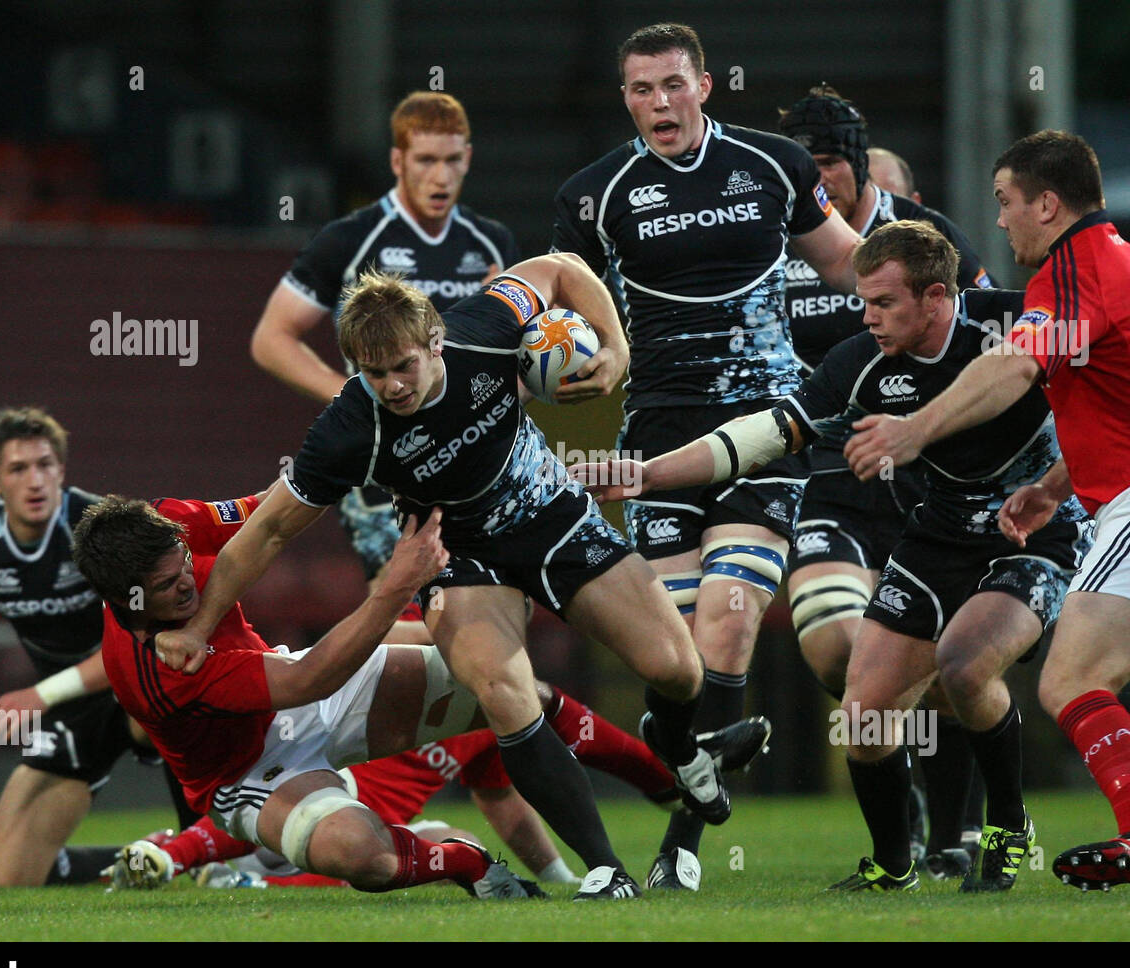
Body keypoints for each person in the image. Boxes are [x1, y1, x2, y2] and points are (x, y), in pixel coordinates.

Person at [152, 252, 731, 900]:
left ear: (435, 342)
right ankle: (606, 869)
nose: (393, 385)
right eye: (376, 374)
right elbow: (270, 530)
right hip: (457, 553)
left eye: (404, 366)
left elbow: (561, 268)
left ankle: (672, 742)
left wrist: (617, 348)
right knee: (505, 690)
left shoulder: (483, 326)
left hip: (552, 514)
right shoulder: (350, 427)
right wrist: (200, 625)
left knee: (680, 670)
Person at [575, 220, 1092, 892]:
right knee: (865, 710)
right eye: (863, 301)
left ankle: (1008, 823)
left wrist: (1055, 486)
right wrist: (647, 474)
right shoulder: (858, 363)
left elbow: (1113, 396)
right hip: (937, 534)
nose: (867, 317)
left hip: (1038, 531)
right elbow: (760, 435)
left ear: (937, 296)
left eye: (884, 303)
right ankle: (893, 862)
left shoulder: (1018, 322)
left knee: (963, 666)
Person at [843, 130, 1130, 894]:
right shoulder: (1114, 259)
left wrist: (913, 427)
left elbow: (1016, 362)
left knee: (1071, 681)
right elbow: (1122, 398)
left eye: (1006, 202)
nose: (1000, 221)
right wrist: (1056, 487)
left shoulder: (1075, 264)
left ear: (1047, 204)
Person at [550, 23, 863, 888]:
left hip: (765, 429)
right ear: (625, 99)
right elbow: (562, 308)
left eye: (674, 85)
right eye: (643, 89)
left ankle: (683, 843)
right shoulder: (591, 195)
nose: (660, 103)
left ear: (706, 86)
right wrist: (578, 360)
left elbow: (850, 266)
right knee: (674, 658)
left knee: (729, 618)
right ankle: (679, 748)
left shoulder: (772, 166)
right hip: (653, 433)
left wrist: (948, 289)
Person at [74, 491, 553, 899]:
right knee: (359, 854)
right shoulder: (163, 671)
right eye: (164, 584)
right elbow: (309, 678)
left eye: (182, 562)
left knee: (523, 692)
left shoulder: (172, 523)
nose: (185, 580)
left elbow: (271, 510)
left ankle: (602, 873)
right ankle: (462, 862)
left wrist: (331, 466)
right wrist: (399, 584)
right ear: (125, 598)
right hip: (250, 772)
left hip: (292, 691)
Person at [775, 87, 996, 875]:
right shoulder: (782, 236)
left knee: (932, 664)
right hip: (831, 473)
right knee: (844, 655)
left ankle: (950, 838)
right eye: (805, 169)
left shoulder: (930, 243)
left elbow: (996, 346)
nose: (815, 183)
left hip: (924, 480)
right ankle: (898, 809)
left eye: (827, 164)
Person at [251, 91, 520, 589]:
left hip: (475, 451)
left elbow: (508, 349)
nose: (440, 176)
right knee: (406, 599)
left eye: (452, 160)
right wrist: (351, 396)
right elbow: (272, 338)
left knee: (496, 603)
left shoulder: (492, 242)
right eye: (425, 160)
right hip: (389, 462)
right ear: (398, 161)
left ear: (469, 159)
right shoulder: (351, 240)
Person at [109, 701, 771, 892]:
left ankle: (680, 772)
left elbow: (504, 801)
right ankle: (189, 861)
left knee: (417, 838)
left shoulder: (491, 702)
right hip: (308, 817)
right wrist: (180, 849)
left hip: (367, 837)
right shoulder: (397, 670)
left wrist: (561, 876)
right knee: (308, 826)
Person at [0, 408, 192, 886]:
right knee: (5, 881)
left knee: (172, 709)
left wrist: (38, 696)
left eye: (46, 464)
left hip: (139, 683)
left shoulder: (101, 532)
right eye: (18, 469)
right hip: (72, 706)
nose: (36, 480)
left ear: (61, 469)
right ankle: (154, 858)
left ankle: (208, 853)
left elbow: (142, 637)